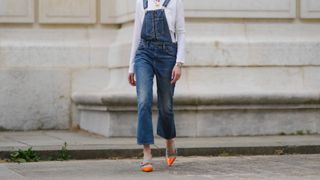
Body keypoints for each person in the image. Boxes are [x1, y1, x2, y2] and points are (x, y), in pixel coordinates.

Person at [128, 0, 186, 172]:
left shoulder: (175, 2)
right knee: (144, 101)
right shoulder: (141, 2)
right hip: (144, 53)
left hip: (168, 55)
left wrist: (179, 63)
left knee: (166, 106)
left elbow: (181, 32)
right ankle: (147, 152)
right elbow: (137, 34)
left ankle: (169, 139)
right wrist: (131, 66)